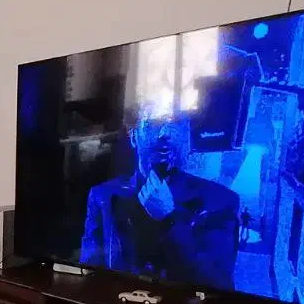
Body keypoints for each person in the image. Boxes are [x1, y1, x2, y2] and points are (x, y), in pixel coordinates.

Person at [80, 112, 239, 289]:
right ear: (133, 135)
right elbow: (90, 274)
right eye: (154, 123)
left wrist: (170, 219)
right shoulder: (103, 195)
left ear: (186, 135)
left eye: (176, 123)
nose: (165, 133)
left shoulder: (220, 200)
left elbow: (217, 283)